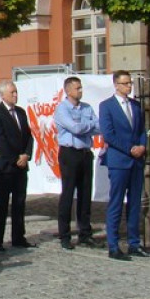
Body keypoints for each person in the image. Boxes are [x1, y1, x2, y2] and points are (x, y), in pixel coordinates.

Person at [99, 71, 150, 261]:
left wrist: (142, 146)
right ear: (116, 85)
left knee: (134, 204)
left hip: (136, 161)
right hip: (119, 161)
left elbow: (141, 130)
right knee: (116, 203)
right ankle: (113, 245)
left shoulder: (135, 105)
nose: (129, 87)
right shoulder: (107, 106)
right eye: (124, 83)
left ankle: (134, 243)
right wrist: (130, 148)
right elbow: (109, 134)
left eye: (130, 83)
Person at [0, 80, 36, 251]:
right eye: (12, 93)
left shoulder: (21, 112)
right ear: (2, 95)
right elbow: (0, 140)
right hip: (4, 166)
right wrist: (15, 158)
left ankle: (18, 236)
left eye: (16, 92)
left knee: (19, 202)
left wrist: (26, 155)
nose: (15, 95)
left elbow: (29, 136)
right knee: (1, 204)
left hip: (21, 166)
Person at [52, 76, 100, 250]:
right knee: (68, 193)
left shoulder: (87, 107)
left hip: (86, 153)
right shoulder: (62, 109)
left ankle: (85, 233)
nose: (80, 91)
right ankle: (64, 235)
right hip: (69, 153)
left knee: (85, 194)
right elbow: (75, 128)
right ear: (68, 90)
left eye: (81, 88)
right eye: (77, 88)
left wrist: (83, 124)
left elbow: (100, 126)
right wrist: (88, 125)